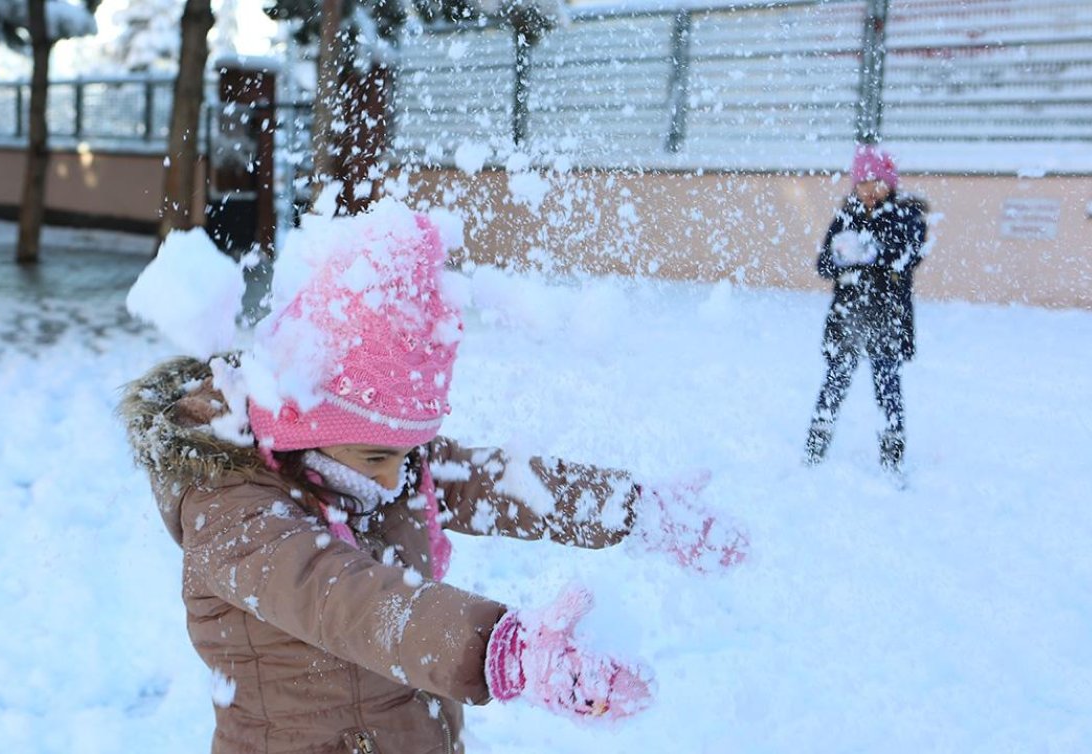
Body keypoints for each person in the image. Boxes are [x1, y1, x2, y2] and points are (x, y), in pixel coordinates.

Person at [119, 200, 750, 753]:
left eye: (409, 448)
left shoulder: (372, 462)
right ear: (299, 426)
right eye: (377, 455)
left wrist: (631, 508)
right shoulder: (234, 515)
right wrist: (502, 649)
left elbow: (501, 484)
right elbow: (351, 599)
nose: (397, 474)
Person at [804, 145, 929, 476]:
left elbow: (908, 255)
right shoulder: (846, 216)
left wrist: (871, 253)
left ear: (890, 183)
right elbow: (824, 264)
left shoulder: (906, 215)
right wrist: (842, 258)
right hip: (848, 316)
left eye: (876, 183)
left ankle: (892, 452)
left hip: (887, 318)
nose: (869, 190)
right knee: (835, 380)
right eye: (862, 183)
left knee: (887, 382)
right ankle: (816, 445)